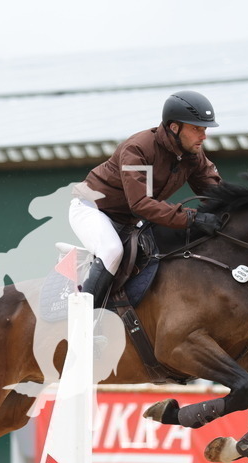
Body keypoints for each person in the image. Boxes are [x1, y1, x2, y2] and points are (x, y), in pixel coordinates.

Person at [68, 90, 224, 304]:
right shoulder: (138, 148)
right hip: (91, 208)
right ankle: (84, 322)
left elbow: (217, 194)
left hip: (128, 220)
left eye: (204, 129)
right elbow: (140, 204)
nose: (203, 136)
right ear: (174, 127)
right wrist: (191, 218)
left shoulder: (192, 155)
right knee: (112, 251)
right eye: (196, 129)